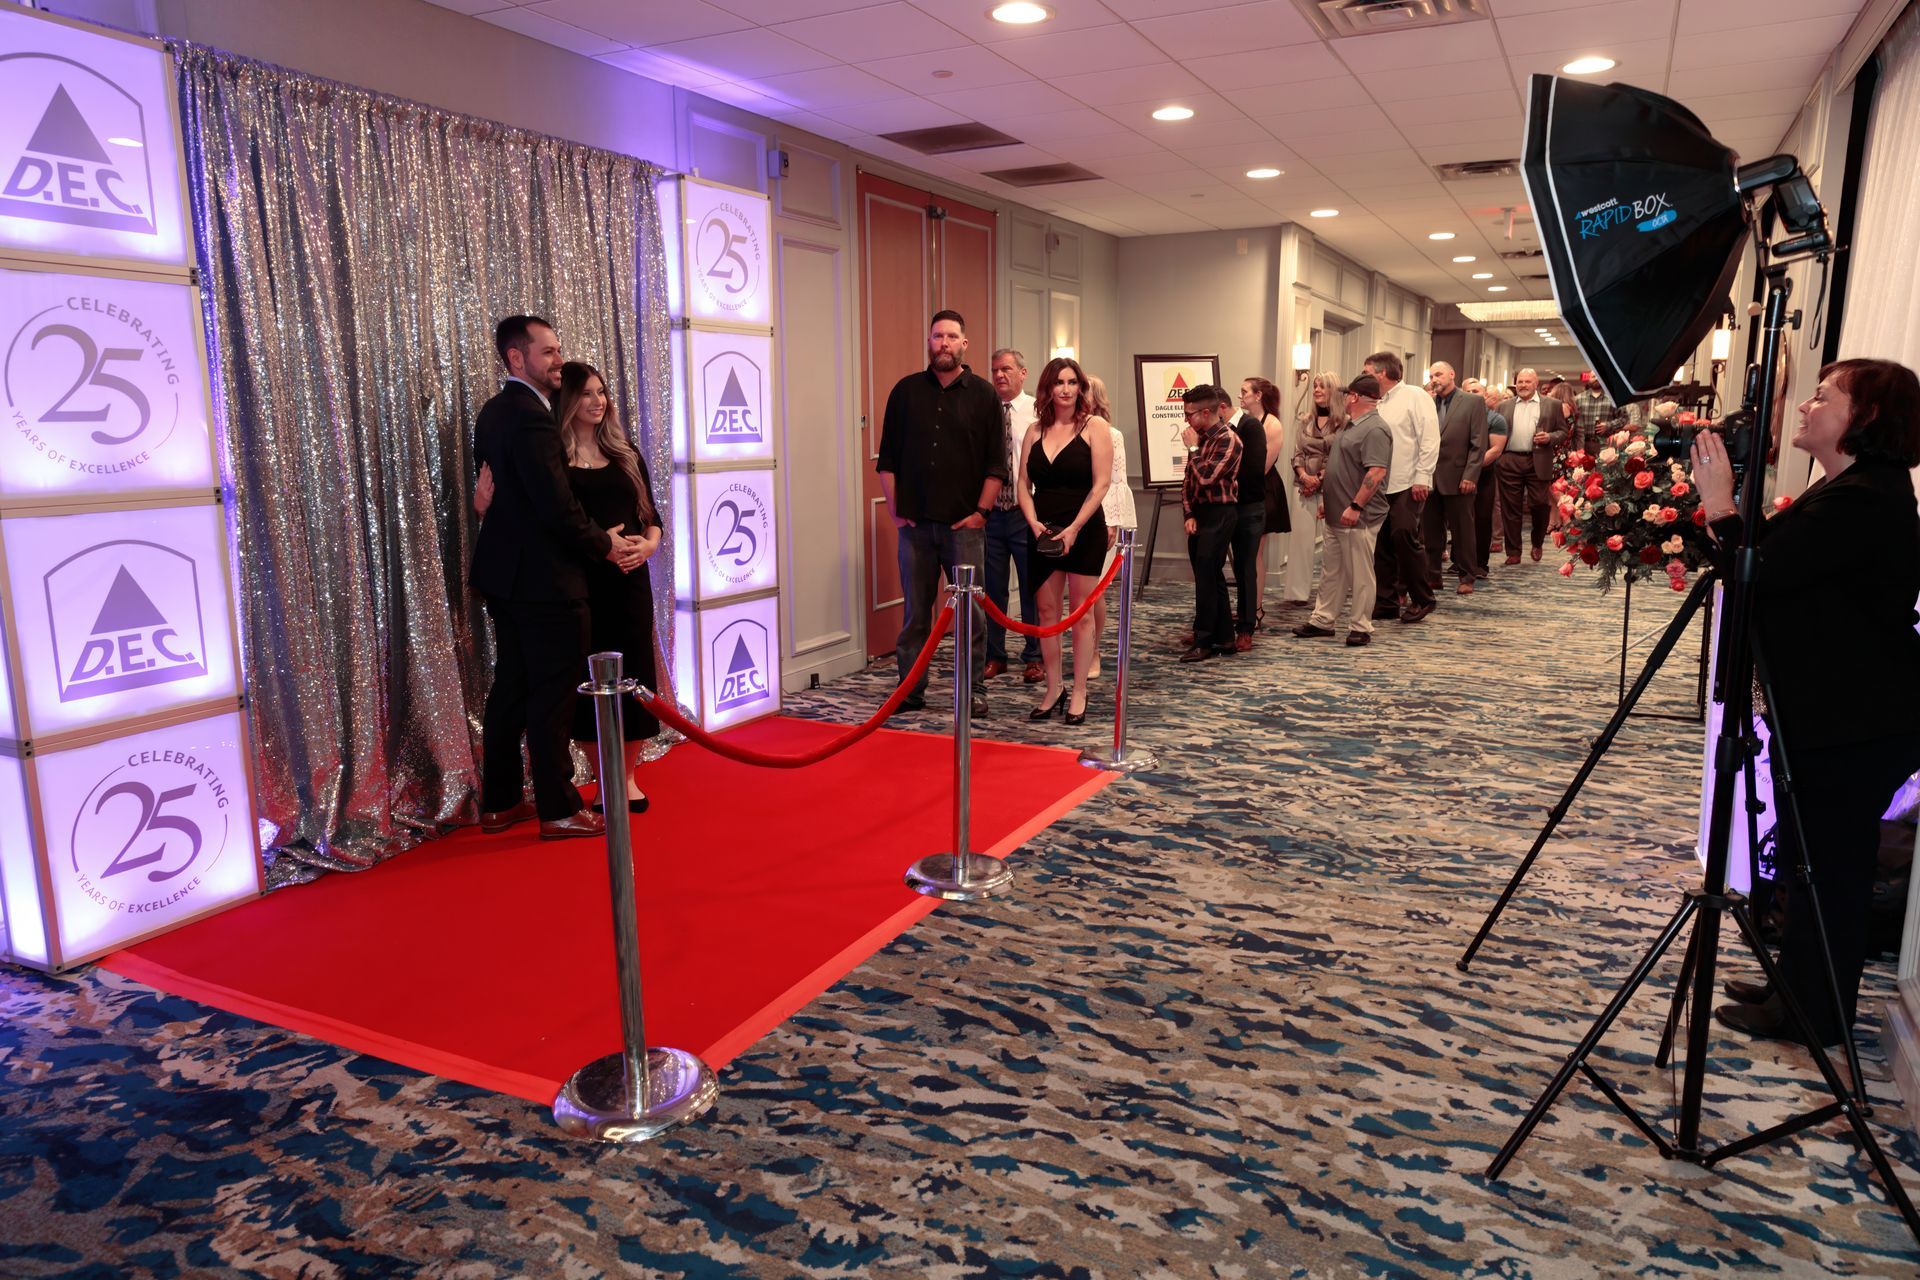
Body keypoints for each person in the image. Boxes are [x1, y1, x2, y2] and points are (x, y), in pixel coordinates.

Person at [1693, 358, 1920, 1047]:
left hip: (1853, 718)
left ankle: (1814, 1015)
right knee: (1807, 858)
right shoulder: (1850, 488)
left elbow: (1761, 575)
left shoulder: (1865, 498)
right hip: (1838, 712)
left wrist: (1721, 507)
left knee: (1829, 867)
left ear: (1867, 416)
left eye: (1822, 397)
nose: (1804, 407)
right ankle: (1795, 986)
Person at [470, 316, 646, 841]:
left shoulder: (493, 412)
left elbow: (505, 500)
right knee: (552, 697)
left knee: (511, 689)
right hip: (546, 583)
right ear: (516, 358)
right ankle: (559, 807)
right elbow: (554, 506)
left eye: (558, 350)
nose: (558, 360)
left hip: (506, 578)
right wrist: (605, 543)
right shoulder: (531, 416)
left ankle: (500, 803)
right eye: (547, 352)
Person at [876, 310, 1006, 719]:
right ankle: (909, 690)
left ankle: (973, 691)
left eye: (952, 337)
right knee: (916, 613)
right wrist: (897, 513)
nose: (944, 343)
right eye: (937, 336)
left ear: (964, 344)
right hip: (914, 528)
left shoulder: (985, 396)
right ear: (929, 342)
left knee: (972, 616)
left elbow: (995, 465)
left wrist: (982, 513)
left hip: (964, 528)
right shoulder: (905, 392)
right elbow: (887, 461)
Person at [1015, 357, 1111, 724]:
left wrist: (1073, 528)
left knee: (1080, 615)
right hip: (1042, 530)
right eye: (1059, 383)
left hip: (1084, 528)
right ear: (1048, 389)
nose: (1066, 389)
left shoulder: (1095, 426)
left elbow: (1101, 483)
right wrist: (1033, 522)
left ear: (1080, 387)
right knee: (1046, 614)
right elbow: (1024, 483)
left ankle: (1080, 691)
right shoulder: (1035, 430)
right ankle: (1054, 687)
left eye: (1072, 382)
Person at [1293, 375, 1391, 647]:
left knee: (1360, 573)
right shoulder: (1352, 425)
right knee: (1331, 570)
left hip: (1359, 515)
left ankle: (1361, 626)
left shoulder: (1375, 429)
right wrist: (1331, 501)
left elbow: (1376, 471)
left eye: (1348, 394)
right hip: (1337, 511)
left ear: (1355, 397)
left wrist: (1356, 505)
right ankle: (1323, 620)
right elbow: (1342, 466)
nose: (1344, 398)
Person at [1362, 352, 1439, 624]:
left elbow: (1429, 438)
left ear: (1382, 373)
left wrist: (1423, 477)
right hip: (1380, 484)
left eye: (1367, 371)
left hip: (1408, 481)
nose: (1363, 376)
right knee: (1381, 543)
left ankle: (1423, 597)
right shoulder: (1374, 402)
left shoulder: (1415, 396)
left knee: (1404, 535)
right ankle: (1386, 601)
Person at [984, 348, 1042, 685]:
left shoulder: (1037, 412)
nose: (999, 376)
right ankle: (995, 655)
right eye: (994, 371)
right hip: (991, 514)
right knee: (993, 590)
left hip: (1026, 511)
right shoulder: (985, 409)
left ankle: (1034, 657)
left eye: (1006, 369)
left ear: (1023, 373)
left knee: (1033, 588)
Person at [1178, 383, 1242, 662]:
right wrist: (1189, 514)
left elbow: (1206, 477)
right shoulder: (1201, 439)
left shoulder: (1229, 439)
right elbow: (1188, 482)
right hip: (1200, 516)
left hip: (1220, 513)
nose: (1186, 420)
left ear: (1206, 412)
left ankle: (1204, 640)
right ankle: (1226, 638)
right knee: (1210, 576)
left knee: (1207, 576)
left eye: (1189, 413)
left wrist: (1192, 448)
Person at [1082, 373, 1136, 680]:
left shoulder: (1112, 434)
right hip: (1071, 516)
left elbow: (1117, 481)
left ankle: (1094, 651)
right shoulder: (1065, 431)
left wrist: (1111, 523)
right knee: (1077, 592)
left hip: (1104, 517)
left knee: (1093, 590)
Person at [1422, 362, 1488, 595]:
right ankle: (1432, 576)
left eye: (1438, 374)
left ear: (1452, 374)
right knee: (1430, 531)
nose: (1434, 379)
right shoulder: (1427, 402)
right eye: (1431, 376)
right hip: (1430, 477)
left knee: (1463, 531)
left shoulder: (1472, 402)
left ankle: (1467, 575)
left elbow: (1479, 443)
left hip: (1460, 476)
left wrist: (1471, 475)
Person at [1281, 372, 1343, 606]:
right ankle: (1297, 594)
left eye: (1322, 386)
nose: (1316, 390)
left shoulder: (1344, 421)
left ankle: (1331, 594)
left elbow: (1338, 454)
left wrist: (1318, 478)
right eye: (1315, 386)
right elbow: (1297, 452)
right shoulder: (1305, 420)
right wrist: (1303, 476)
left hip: (1333, 488)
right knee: (1300, 542)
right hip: (1303, 486)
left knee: (1332, 544)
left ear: (1333, 391)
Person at [1494, 368, 1569, 563]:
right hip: (1509, 460)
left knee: (1539, 505)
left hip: (1538, 460)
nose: (1523, 385)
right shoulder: (1503, 406)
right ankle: (1513, 552)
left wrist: (1550, 437)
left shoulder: (1553, 405)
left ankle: (1537, 542)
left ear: (1536, 384)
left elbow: (1563, 431)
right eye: (1520, 381)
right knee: (1510, 509)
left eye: (1528, 382)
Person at [1222, 384, 1270, 649]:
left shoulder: (1251, 427)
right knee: (1210, 566)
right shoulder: (1214, 429)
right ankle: (1211, 625)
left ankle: (1245, 628)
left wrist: (1221, 475)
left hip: (1248, 507)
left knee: (1245, 568)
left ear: (1220, 409)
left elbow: (1252, 471)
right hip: (1220, 507)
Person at [1241, 376, 1291, 628]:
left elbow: (1261, 467)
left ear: (1258, 395)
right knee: (1246, 554)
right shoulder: (1240, 421)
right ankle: (1247, 607)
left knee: (1254, 554)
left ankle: (1255, 608)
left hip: (1263, 491)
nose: (1240, 396)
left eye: (1244, 392)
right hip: (1241, 490)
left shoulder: (1272, 424)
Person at [1469, 380, 1508, 575]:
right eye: (1467, 391)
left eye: (1475, 391)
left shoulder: (1495, 419)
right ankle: (1459, 561)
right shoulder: (1459, 416)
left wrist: (1471, 468)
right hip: (1457, 475)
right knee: (1461, 521)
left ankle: (1480, 564)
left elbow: (1496, 450)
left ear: (1484, 395)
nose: (1471, 393)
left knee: (1482, 519)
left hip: (1483, 475)